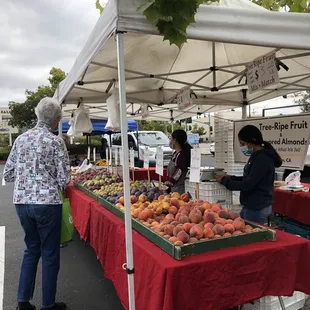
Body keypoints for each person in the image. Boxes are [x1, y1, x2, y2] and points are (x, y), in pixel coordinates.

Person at [3, 97, 71, 310]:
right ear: (56, 119)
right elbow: (64, 179)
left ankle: (23, 302)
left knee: (31, 249)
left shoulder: (20, 139)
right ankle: (48, 305)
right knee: (50, 253)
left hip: (22, 202)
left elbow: (9, 173)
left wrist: (29, 174)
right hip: (47, 203)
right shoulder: (55, 141)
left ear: (37, 114)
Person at [216, 125, 282, 225]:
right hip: (252, 205)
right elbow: (250, 178)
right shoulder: (256, 156)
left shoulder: (262, 159)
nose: (242, 147)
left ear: (251, 143)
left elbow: (248, 184)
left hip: (257, 207)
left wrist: (225, 182)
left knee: (253, 236)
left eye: (242, 144)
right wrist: (232, 178)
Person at [166, 129, 192, 194]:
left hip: (180, 189)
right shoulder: (175, 153)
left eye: (171, 139)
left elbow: (179, 171)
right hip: (174, 188)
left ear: (175, 141)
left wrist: (171, 181)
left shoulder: (182, 155)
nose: (170, 141)